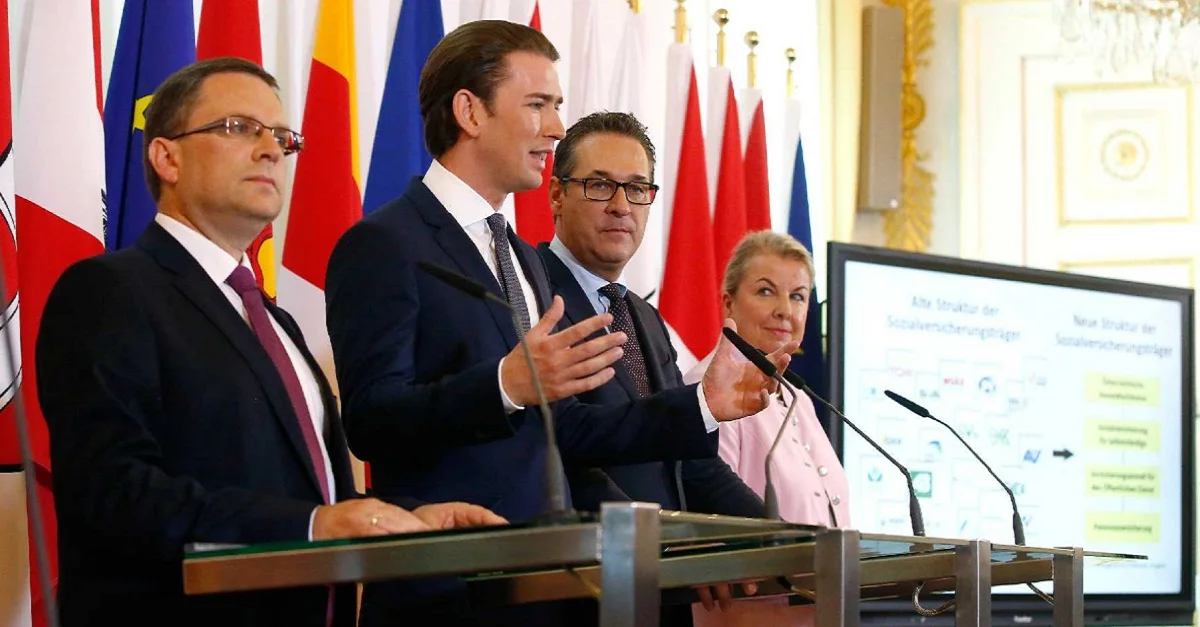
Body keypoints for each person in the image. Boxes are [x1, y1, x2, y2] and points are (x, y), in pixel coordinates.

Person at [324, 21, 792, 626]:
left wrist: (701, 406)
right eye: (538, 105)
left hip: (547, 591)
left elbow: (571, 432)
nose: (554, 128)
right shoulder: (385, 243)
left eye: (557, 107)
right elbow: (370, 420)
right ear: (470, 111)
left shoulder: (518, 256)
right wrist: (503, 386)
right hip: (448, 592)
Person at [35, 57, 505, 627]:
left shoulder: (275, 322)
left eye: (282, 136)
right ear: (167, 157)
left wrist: (406, 518)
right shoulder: (110, 291)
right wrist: (313, 527)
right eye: (238, 128)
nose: (271, 150)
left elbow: (300, 493)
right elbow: (113, 493)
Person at [538, 110, 765, 624]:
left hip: (663, 594)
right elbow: (558, 452)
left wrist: (783, 538)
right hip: (586, 586)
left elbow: (689, 460)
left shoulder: (645, 316)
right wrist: (668, 546)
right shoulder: (532, 297)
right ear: (556, 195)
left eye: (637, 189)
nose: (621, 206)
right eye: (600, 186)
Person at [684, 231, 852, 626]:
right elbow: (703, 508)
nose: (784, 310)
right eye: (765, 292)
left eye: (797, 296)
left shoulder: (800, 398)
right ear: (729, 302)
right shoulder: (704, 388)